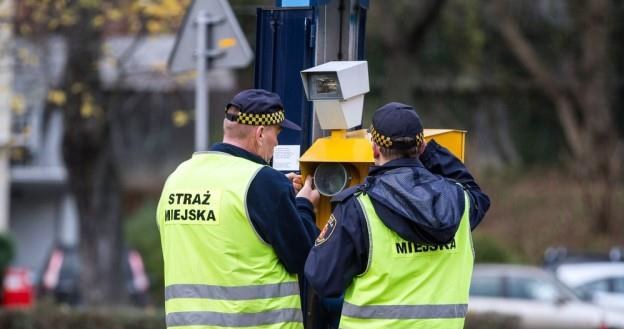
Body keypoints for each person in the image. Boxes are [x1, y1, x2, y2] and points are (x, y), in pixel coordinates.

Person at [304, 102, 490, 329]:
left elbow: (322, 278)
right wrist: (431, 152)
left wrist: (305, 208)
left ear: (374, 149)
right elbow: (476, 192)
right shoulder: (460, 201)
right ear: (420, 147)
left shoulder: (357, 207)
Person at [157, 89, 320, 329]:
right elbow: (305, 257)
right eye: (278, 133)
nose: (277, 143)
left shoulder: (178, 177)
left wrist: (277, 193)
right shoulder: (263, 182)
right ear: (261, 133)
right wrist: (304, 205)